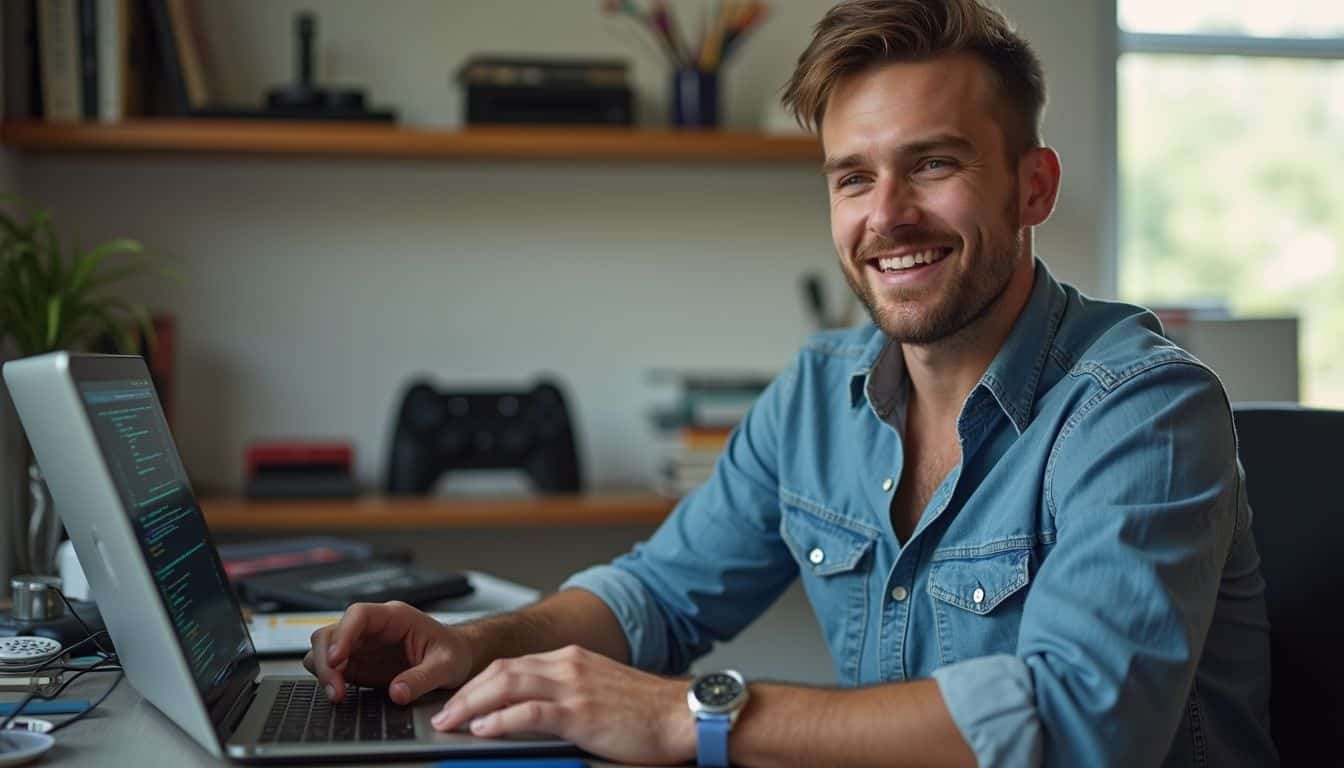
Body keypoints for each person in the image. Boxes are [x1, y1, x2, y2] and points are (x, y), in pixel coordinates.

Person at [305, 1, 1277, 765]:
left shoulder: (1143, 409)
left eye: (932, 165)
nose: (886, 216)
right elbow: (659, 596)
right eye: (852, 178)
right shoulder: (818, 393)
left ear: (1033, 186)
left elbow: (1079, 730)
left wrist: (696, 715)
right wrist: (481, 644)